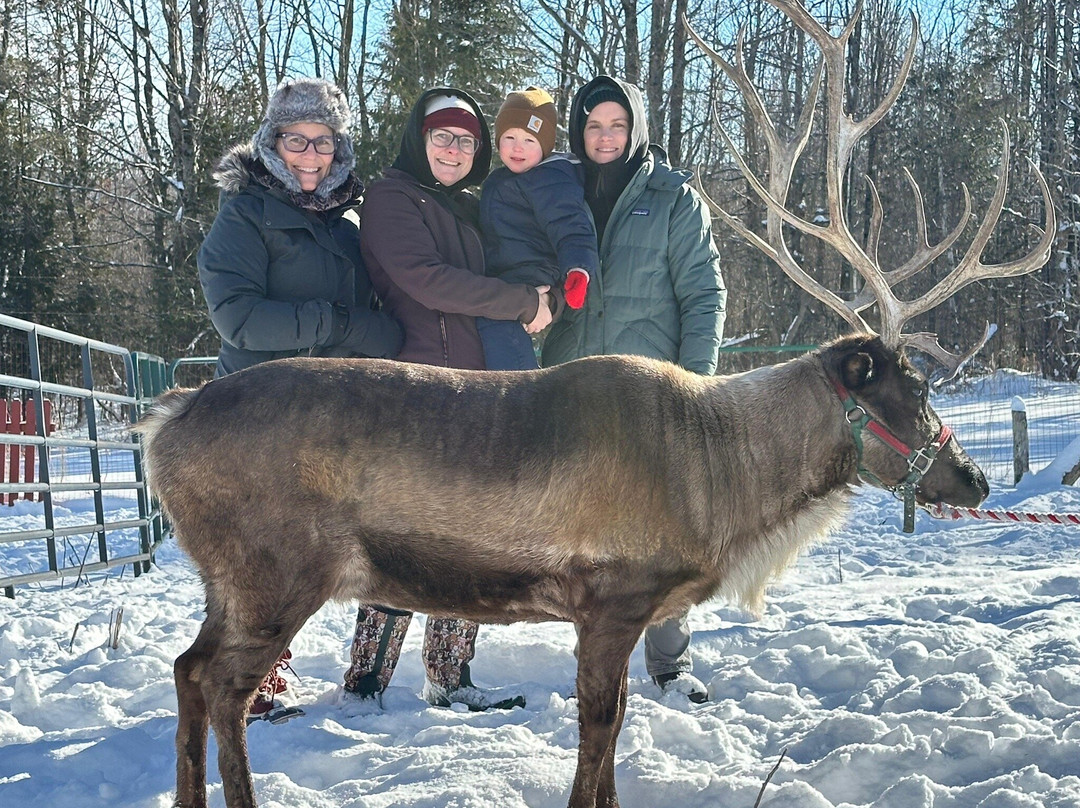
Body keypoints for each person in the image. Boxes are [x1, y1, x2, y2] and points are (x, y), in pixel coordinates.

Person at [198, 77, 404, 720]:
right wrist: (335, 324)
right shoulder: (245, 212)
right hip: (260, 412)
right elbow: (238, 318)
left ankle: (267, 667)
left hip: (334, 413)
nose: (309, 156)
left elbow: (379, 307)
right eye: (295, 140)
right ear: (272, 141)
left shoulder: (350, 217)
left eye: (323, 141)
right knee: (258, 546)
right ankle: (247, 677)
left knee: (310, 547)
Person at [343, 87, 553, 710]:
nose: (455, 148)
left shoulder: (464, 205)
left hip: (480, 394)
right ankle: (365, 685)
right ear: (419, 139)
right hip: (417, 394)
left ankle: (450, 678)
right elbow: (425, 282)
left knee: (469, 538)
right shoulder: (390, 198)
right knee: (402, 539)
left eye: (466, 139)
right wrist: (521, 302)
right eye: (442, 136)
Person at [541, 75, 728, 704]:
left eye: (617, 125)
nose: (605, 136)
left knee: (663, 529)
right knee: (579, 528)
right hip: (567, 391)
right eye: (594, 124)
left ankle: (669, 665)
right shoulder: (555, 190)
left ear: (636, 129)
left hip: (651, 396)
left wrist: (692, 388)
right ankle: (594, 651)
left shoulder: (672, 197)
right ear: (578, 130)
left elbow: (703, 295)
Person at [476, 86, 599, 370]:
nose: (517, 147)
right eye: (509, 137)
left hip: (531, 274)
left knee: (497, 324)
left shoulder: (550, 180)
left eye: (529, 140)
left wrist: (578, 270)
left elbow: (570, 226)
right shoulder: (503, 179)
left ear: (544, 146)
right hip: (505, 274)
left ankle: (520, 393)